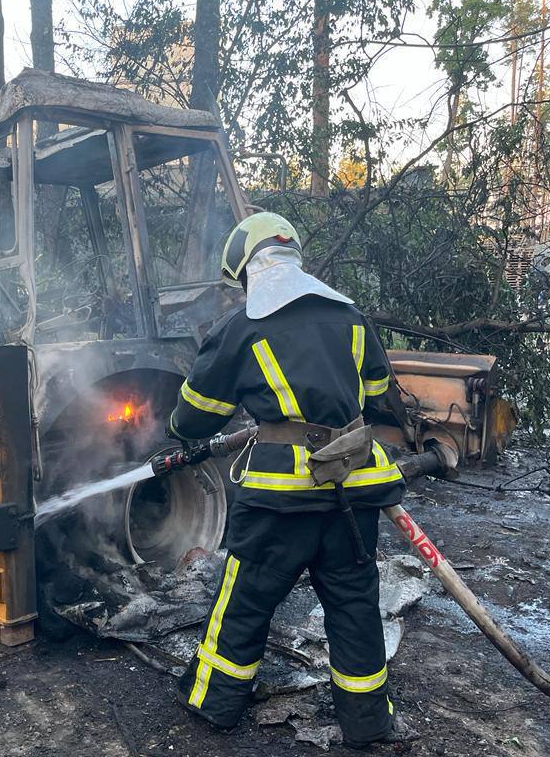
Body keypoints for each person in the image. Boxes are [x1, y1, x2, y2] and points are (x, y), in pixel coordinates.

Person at [168, 212, 418, 747]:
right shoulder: (351, 316)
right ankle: (368, 723)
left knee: (245, 601)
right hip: (353, 488)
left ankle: (216, 705)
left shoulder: (241, 326)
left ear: (244, 267)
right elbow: (380, 399)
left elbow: (193, 419)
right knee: (354, 604)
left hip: (280, 499)